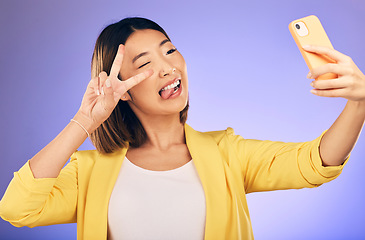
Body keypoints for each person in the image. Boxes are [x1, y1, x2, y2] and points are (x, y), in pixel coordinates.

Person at [0, 17, 364, 240]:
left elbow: (316, 163)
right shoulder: (91, 170)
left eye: (169, 51)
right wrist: (84, 121)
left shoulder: (227, 153)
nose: (166, 68)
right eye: (144, 63)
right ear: (120, 90)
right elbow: (17, 210)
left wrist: (359, 102)